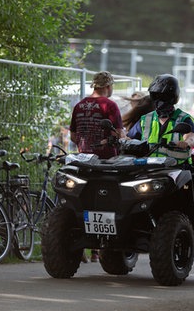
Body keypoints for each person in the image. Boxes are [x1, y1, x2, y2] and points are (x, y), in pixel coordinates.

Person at [70, 70, 125, 262]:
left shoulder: (79, 105)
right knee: (108, 205)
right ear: (108, 86)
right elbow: (118, 134)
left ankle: (83, 250)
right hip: (107, 163)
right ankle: (102, 250)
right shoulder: (109, 105)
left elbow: (73, 137)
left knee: (84, 202)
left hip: (84, 163)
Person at [127, 74, 194, 164]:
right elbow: (129, 139)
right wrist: (122, 140)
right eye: (155, 96)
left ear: (173, 98)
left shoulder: (183, 118)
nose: (159, 101)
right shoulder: (145, 120)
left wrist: (186, 143)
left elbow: (190, 137)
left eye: (164, 97)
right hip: (149, 168)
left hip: (177, 168)